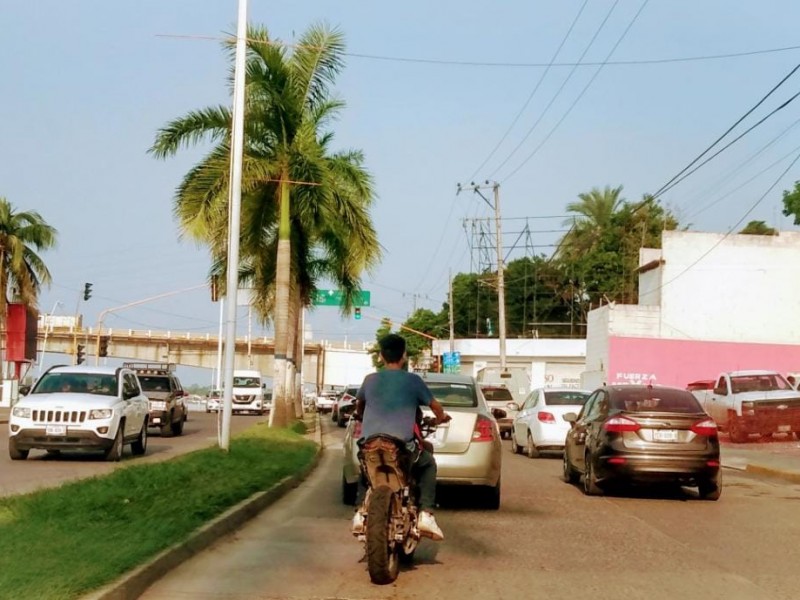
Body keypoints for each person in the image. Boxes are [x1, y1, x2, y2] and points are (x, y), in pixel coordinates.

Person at [351, 333, 451, 541]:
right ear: (403, 355)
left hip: (370, 443)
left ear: (381, 356)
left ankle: (360, 512)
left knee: (365, 468)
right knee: (428, 464)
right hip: (400, 446)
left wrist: (361, 415)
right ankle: (426, 514)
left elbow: (359, 405)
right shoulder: (413, 381)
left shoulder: (369, 380)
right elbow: (435, 406)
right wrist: (440, 418)